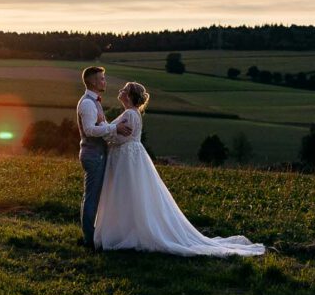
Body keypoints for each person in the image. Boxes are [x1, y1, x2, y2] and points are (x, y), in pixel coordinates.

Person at [95, 81, 265, 257]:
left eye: (124, 90)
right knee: (131, 194)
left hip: (126, 158)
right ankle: (126, 228)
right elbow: (116, 133)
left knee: (127, 193)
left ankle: (129, 231)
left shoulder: (130, 114)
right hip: (129, 157)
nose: (121, 91)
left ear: (129, 96)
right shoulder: (130, 113)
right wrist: (107, 128)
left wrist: (101, 127)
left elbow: (119, 138)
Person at [76, 66, 132, 248]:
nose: (104, 81)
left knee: (95, 196)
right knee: (91, 197)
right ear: (92, 81)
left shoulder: (95, 102)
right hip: (93, 155)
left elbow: (102, 126)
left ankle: (93, 235)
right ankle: (89, 240)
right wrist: (115, 128)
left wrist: (113, 129)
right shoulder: (87, 103)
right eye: (101, 78)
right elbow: (90, 130)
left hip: (98, 154)